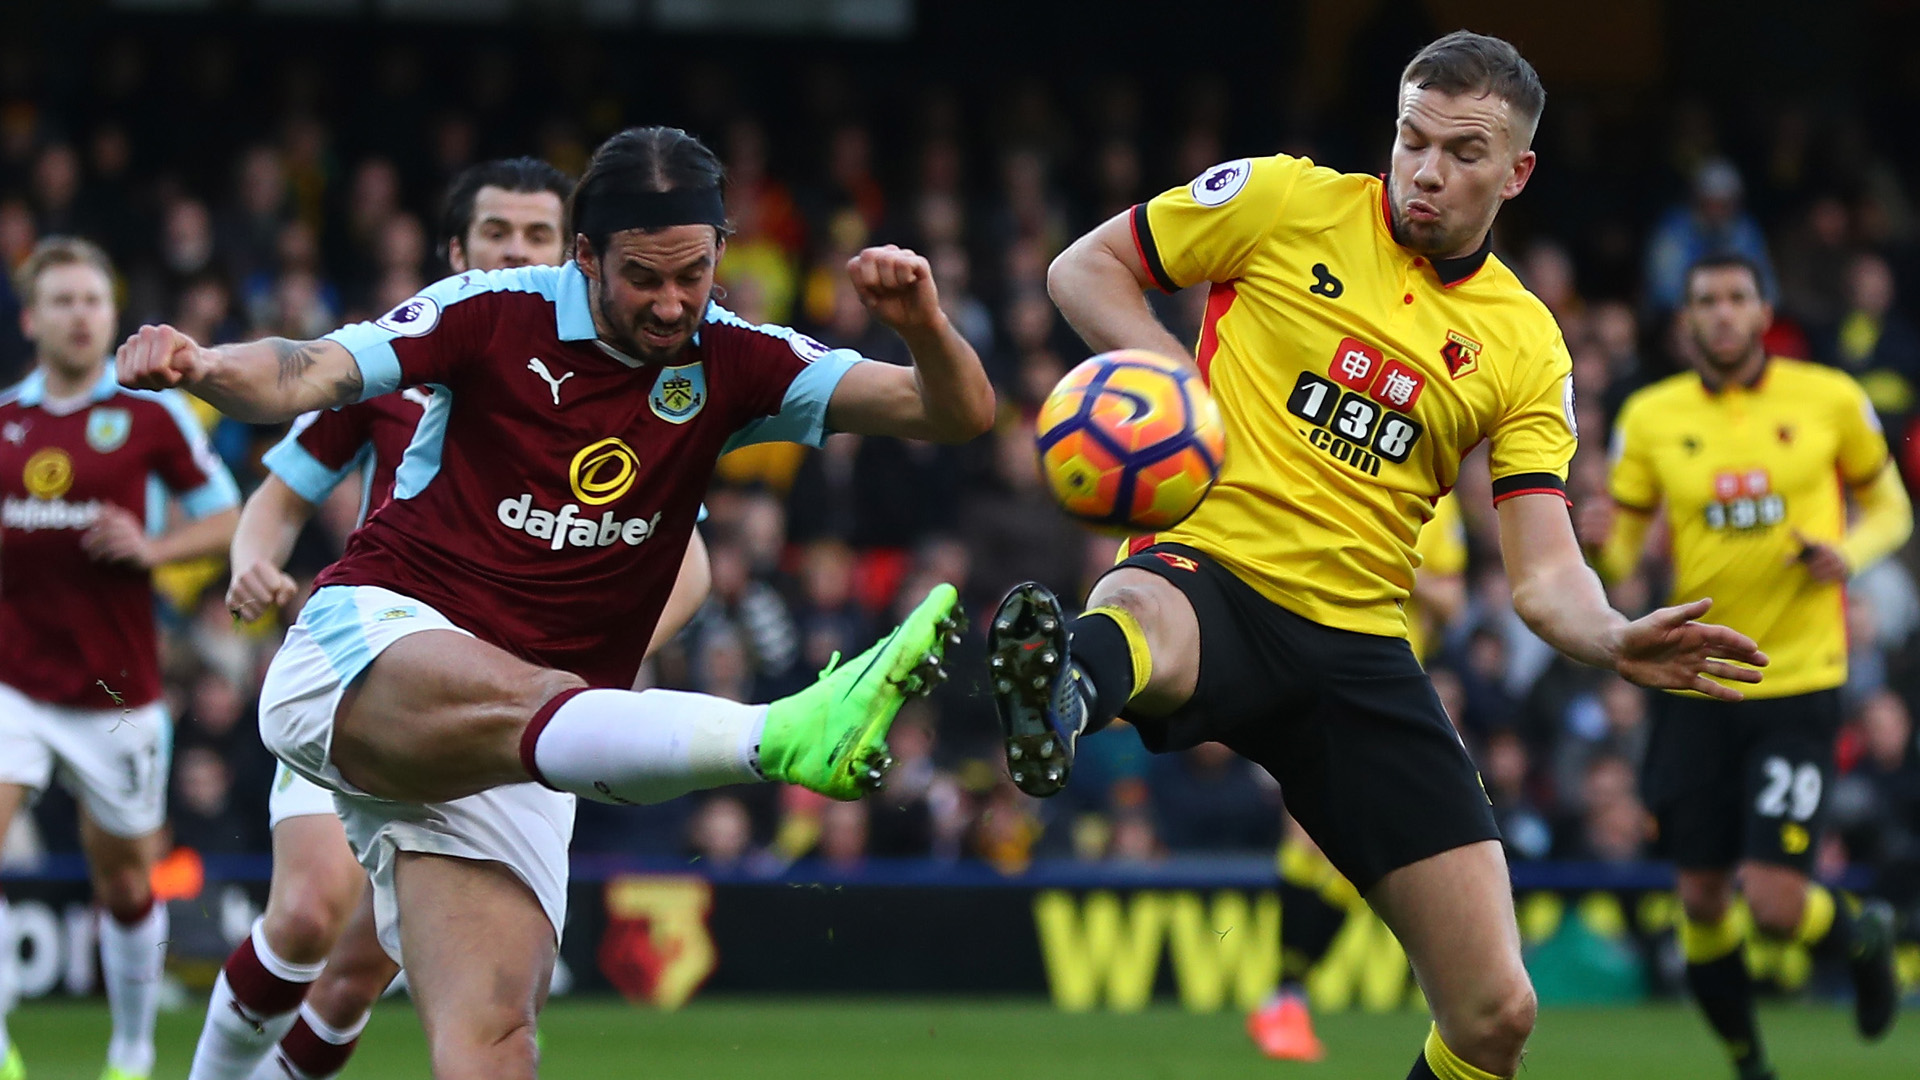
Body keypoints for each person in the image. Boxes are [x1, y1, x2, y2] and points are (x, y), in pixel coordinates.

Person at [119, 125, 993, 1080]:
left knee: (496, 1035)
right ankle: (779, 735)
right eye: (643, 278)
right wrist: (202, 367)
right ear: (585, 257)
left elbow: (955, 413)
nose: (671, 304)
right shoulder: (488, 311)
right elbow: (308, 369)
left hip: (527, 747)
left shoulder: (739, 360)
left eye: (693, 275)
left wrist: (921, 325)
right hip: (371, 650)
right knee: (314, 914)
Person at [1001, 32, 1767, 1080]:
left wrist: (1612, 635)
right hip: (1213, 568)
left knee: (1495, 1015)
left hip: (1358, 649)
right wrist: (1178, 389)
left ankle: (1075, 684)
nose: (1426, 170)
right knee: (1145, 607)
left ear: (1517, 173)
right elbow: (1082, 267)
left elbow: (1543, 571)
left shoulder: (1528, 342)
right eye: (1411, 139)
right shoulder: (1281, 200)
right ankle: (1062, 695)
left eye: (1461, 152)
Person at [187, 156, 724, 1080]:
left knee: (359, 974)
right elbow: (279, 489)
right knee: (310, 913)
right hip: (382, 672)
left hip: (501, 703)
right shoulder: (394, 368)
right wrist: (250, 561)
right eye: (496, 236)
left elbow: (688, 564)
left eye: (537, 238)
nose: (516, 250)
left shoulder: (630, 393)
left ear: (576, 259)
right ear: (457, 252)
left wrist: (592, 669)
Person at [1588, 252, 1906, 1080]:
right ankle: (1748, 1065)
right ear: (1686, 319)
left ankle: (1862, 933)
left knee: (1770, 904)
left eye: (1736, 298)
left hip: (1797, 681)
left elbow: (1892, 507)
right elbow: (1621, 553)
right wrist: (1596, 542)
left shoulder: (1830, 396)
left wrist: (1848, 552)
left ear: (1765, 309)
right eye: (1705, 301)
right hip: (1692, 681)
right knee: (1699, 899)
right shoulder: (1651, 416)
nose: (1722, 313)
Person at [0, 237, 241, 1080]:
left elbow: (232, 517)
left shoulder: (150, 414)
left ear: (111, 315)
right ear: (31, 318)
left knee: (129, 887)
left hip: (114, 691)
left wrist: (153, 546)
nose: (78, 315)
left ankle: (132, 1051)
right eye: (61, 300)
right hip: (13, 683)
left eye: (92, 300)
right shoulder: (4, 421)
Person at [1246, 493, 1468, 1061]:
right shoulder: (1340, 476)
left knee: (1353, 859)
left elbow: (1453, 603)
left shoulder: (1440, 507)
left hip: (1394, 694)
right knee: (1307, 835)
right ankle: (1285, 998)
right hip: (1320, 673)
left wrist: (1396, 564)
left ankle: (1286, 994)